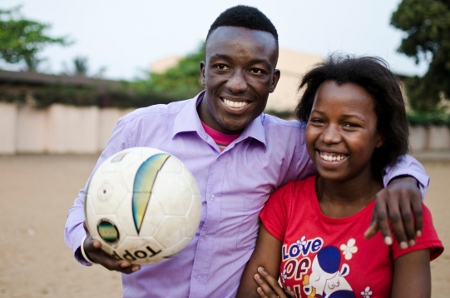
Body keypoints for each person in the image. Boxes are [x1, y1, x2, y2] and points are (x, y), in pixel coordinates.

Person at [64, 6, 430, 298]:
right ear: (204, 72)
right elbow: (87, 203)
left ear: (273, 80)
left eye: (256, 70)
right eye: (222, 67)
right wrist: (87, 244)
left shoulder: (290, 143)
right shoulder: (141, 129)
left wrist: (404, 178)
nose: (237, 84)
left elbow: (361, 150)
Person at [237, 55, 443, 298]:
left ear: (381, 135)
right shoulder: (286, 202)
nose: (329, 136)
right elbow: (252, 291)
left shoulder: (401, 213)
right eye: (318, 121)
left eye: (350, 125)